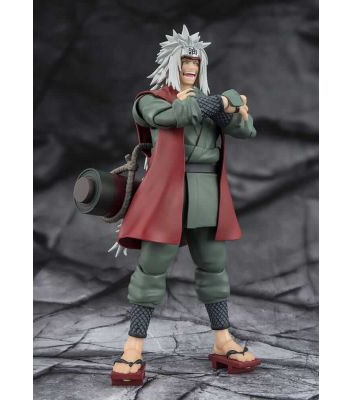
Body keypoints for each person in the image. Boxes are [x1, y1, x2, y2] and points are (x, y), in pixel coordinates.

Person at [110, 25, 260, 385]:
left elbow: (245, 130)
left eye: (195, 63)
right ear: (171, 64)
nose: (190, 68)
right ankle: (132, 347)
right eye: (185, 62)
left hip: (207, 191)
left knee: (214, 268)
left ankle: (223, 340)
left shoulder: (209, 103)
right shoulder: (150, 100)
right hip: (167, 193)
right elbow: (174, 117)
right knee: (151, 271)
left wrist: (233, 109)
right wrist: (221, 102)